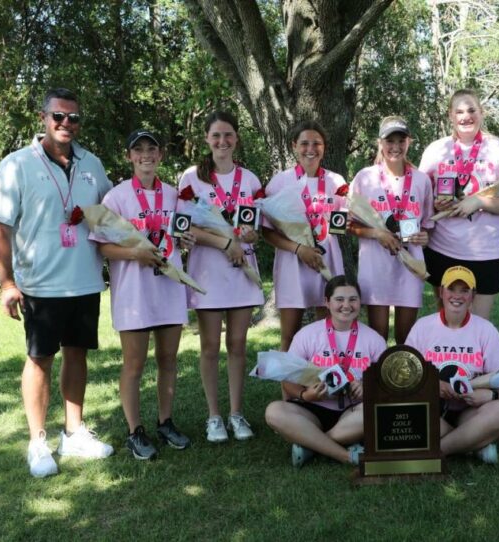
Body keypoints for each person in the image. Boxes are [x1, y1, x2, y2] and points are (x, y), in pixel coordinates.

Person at [0, 88, 114, 477]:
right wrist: (7, 282)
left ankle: (73, 433)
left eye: (73, 118)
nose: (66, 124)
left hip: (85, 280)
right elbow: (0, 227)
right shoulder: (17, 164)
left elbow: (108, 218)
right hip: (39, 284)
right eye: (58, 116)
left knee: (77, 354)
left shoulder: (92, 164)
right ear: (43, 117)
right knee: (39, 360)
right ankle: (37, 442)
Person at [91, 129, 194, 460]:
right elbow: (103, 246)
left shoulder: (176, 194)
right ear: (129, 157)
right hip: (134, 292)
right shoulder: (117, 197)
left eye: (152, 148)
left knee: (168, 360)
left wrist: (186, 241)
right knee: (134, 364)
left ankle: (165, 421)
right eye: (139, 150)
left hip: (169, 287)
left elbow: (183, 233)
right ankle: (135, 430)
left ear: (160, 155)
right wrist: (136, 254)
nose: (145, 155)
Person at [177, 111, 264, 443]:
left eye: (228, 135)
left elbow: (256, 226)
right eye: (216, 136)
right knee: (210, 346)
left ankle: (236, 413)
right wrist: (225, 241)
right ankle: (214, 416)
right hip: (207, 271)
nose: (222, 142)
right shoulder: (191, 178)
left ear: (236, 139)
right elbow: (187, 227)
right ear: (207, 139)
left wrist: (250, 237)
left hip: (242, 271)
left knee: (238, 345)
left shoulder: (251, 179)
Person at [419, 89, 499, 319]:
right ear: (450, 116)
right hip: (443, 249)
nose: (466, 116)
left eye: (472, 110)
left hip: (485, 252)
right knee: (447, 321)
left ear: (482, 113)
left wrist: (479, 201)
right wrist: (436, 205)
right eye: (460, 111)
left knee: (478, 325)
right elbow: (420, 199)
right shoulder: (436, 149)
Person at [264, 276, 387, 468]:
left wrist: (367, 387)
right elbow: (287, 379)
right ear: (327, 302)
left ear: (360, 302)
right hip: (315, 409)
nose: (346, 305)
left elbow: (386, 383)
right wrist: (306, 395)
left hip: (353, 411)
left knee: (378, 412)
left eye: (353, 299)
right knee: (274, 411)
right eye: (339, 299)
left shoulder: (374, 339)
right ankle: (345, 454)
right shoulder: (307, 335)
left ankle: (312, 444)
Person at [405, 266, 499, 463]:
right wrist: (433, 385)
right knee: (405, 411)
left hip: (467, 410)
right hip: (430, 409)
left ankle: (436, 451)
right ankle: (471, 442)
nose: (457, 296)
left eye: (464, 290)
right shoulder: (423, 326)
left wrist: (493, 394)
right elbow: (406, 374)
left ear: (473, 295)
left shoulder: (485, 329)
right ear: (441, 292)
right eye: (451, 289)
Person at [262, 121, 346, 352]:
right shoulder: (280, 182)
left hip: (327, 260)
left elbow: (343, 223)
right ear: (294, 146)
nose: (311, 148)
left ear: (324, 147)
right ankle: (290, 389)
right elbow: (266, 230)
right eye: (304, 143)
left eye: (317, 143)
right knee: (290, 335)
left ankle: (325, 386)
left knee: (328, 332)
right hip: (293, 263)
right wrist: (299, 249)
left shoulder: (336, 182)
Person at [348, 116, 433, 344]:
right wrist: (377, 233)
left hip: (410, 265)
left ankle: (402, 380)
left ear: (409, 142)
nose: (395, 147)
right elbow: (349, 224)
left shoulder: (422, 180)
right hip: (376, 266)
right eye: (389, 141)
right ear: (380, 143)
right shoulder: (365, 178)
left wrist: (425, 236)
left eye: (401, 140)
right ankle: (376, 381)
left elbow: (427, 225)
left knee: (406, 340)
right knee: (377, 339)